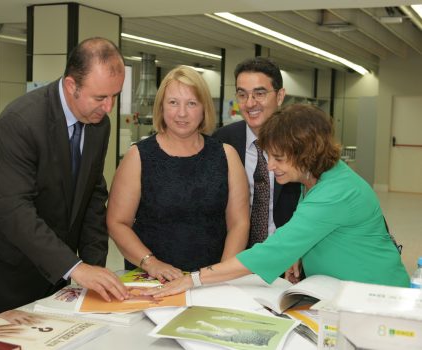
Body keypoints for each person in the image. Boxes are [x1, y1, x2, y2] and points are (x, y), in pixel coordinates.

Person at [0, 37, 129, 327]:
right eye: (100, 97)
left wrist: (92, 265)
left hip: (50, 268)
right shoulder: (21, 121)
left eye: (115, 96)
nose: (109, 108)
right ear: (71, 85)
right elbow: (13, 209)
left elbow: (92, 193)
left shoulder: (98, 125)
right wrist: (74, 267)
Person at [144, 104, 410, 298]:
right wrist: (300, 252)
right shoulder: (316, 177)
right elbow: (308, 229)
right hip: (341, 292)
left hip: (377, 297)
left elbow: (271, 251)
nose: (270, 166)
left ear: (308, 154)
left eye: (279, 159)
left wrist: (194, 279)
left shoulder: (336, 191)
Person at [107, 65, 249, 282]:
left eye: (191, 103)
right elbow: (117, 222)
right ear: (161, 107)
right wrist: (151, 263)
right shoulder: (138, 156)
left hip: (211, 281)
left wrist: (219, 274)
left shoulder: (226, 156)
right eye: (173, 103)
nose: (182, 113)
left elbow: (238, 223)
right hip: (153, 280)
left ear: (203, 109)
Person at [213, 57, 300, 248]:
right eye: (242, 95)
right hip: (234, 255)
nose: (250, 103)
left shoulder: (300, 142)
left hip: (287, 256)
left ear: (279, 96)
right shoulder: (221, 141)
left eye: (259, 93)